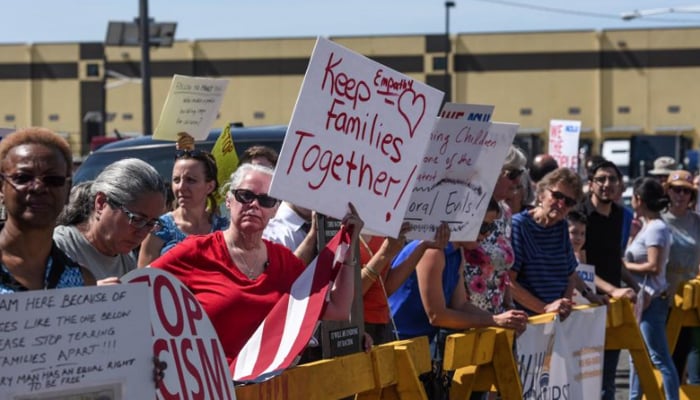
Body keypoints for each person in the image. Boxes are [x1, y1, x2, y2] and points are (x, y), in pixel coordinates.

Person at [150, 163, 363, 364]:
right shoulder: (195, 251)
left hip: (270, 388)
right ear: (228, 200)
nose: (254, 205)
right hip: (213, 386)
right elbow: (141, 287)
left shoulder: (285, 262)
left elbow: (338, 309)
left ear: (274, 210)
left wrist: (349, 247)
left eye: (266, 200)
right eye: (245, 196)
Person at [389, 198, 528, 400]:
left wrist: (505, 320)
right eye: (483, 226)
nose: (487, 234)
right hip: (398, 346)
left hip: (419, 349)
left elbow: (460, 305)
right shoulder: (433, 251)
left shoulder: (456, 251)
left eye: (492, 227)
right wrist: (493, 320)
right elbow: (437, 316)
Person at [0, 127, 95, 293]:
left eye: (53, 180)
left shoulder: (82, 283)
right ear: (1, 188)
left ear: (67, 190)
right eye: (23, 177)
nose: (38, 188)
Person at [577, 159, 637, 399]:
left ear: (620, 185)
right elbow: (579, 264)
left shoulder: (622, 216)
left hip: (613, 305)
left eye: (612, 179)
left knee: (607, 380)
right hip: (585, 303)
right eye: (601, 179)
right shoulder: (580, 215)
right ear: (590, 184)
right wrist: (612, 289)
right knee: (584, 377)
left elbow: (615, 259)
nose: (607, 184)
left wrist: (634, 285)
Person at [55, 159, 168, 281]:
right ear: (101, 203)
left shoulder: (126, 259)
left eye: (151, 224)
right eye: (136, 219)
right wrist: (93, 293)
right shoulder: (60, 247)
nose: (143, 233)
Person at [623, 177, 679, 400]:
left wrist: (624, 265)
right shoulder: (649, 225)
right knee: (640, 356)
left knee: (659, 358)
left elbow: (654, 266)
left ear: (639, 199)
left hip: (652, 301)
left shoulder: (655, 227)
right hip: (645, 300)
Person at [509, 167, 586, 319]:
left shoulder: (562, 226)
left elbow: (570, 275)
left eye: (569, 202)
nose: (561, 204)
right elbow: (510, 283)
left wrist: (565, 304)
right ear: (541, 193)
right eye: (557, 195)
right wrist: (545, 309)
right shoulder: (519, 225)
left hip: (555, 320)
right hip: (529, 322)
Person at [138, 142, 228, 267]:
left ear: (210, 186)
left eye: (190, 180)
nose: (181, 187)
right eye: (176, 180)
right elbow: (143, 282)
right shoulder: (158, 229)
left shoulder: (224, 229)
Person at [360, 222, 450, 345]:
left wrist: (424, 246)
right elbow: (346, 296)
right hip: (356, 330)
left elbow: (384, 288)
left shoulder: (378, 230)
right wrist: (384, 254)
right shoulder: (339, 230)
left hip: (381, 326)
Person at [464, 146, 528, 316]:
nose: (518, 182)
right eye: (513, 174)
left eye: (520, 175)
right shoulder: (468, 209)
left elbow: (503, 271)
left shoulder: (505, 212)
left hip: (498, 314)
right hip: (469, 316)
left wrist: (509, 303)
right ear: (493, 172)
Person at [662, 170, 700, 384]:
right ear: (668, 191)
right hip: (664, 301)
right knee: (668, 362)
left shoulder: (696, 221)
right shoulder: (658, 220)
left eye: (686, 191)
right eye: (676, 189)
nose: (681, 195)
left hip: (692, 303)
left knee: (689, 360)